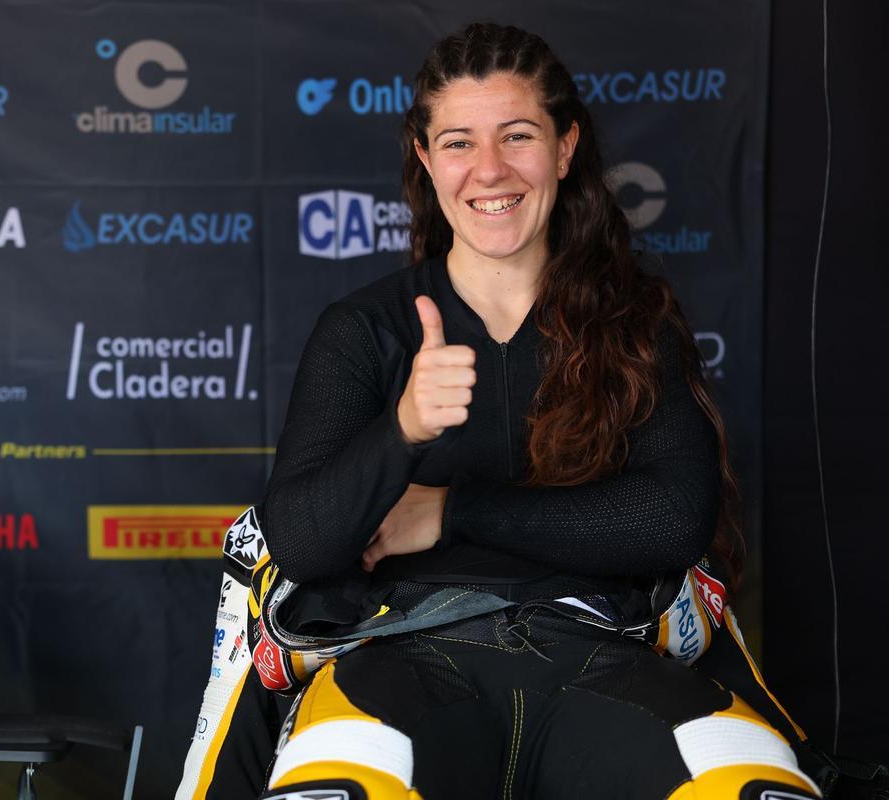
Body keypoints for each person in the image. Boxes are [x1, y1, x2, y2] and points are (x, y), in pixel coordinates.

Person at [179, 21, 824, 800]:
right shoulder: (367, 329)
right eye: (459, 142)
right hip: (403, 658)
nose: (489, 169)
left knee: (749, 784)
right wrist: (403, 431)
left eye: (517, 135)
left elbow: (673, 520)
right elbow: (302, 545)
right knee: (340, 785)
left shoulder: (634, 322)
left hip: (602, 656)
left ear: (564, 147)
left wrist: (451, 511)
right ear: (425, 157)